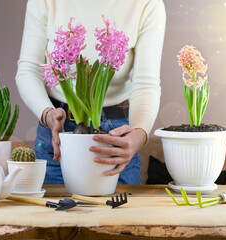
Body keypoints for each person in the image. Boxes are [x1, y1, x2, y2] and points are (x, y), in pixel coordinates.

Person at [16, 0, 166, 184]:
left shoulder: (147, 3)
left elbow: (146, 83)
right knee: (54, 212)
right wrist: (47, 114)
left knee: (121, 213)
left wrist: (139, 134)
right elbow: (28, 71)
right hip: (58, 132)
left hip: (116, 135)